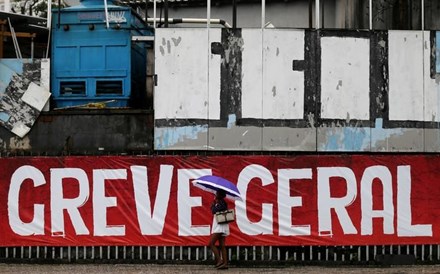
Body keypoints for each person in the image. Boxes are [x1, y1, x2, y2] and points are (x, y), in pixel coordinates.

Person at [209, 189, 229, 270]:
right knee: (222, 245)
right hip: (220, 225)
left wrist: (214, 204)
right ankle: (225, 263)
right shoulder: (220, 202)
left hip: (220, 226)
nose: (215, 194)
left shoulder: (222, 203)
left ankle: (219, 261)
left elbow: (214, 211)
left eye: (217, 193)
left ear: (220, 195)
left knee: (211, 243)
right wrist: (214, 204)